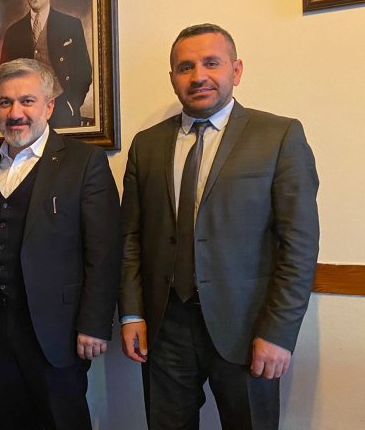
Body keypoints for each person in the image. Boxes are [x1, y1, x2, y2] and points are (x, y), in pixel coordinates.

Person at [119, 23, 319, 429]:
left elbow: (298, 245)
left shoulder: (279, 136)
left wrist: (278, 332)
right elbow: (131, 239)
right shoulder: (146, 144)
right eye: (185, 67)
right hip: (165, 328)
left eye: (211, 63)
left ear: (236, 70)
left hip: (248, 328)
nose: (198, 76)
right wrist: (132, 313)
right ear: (173, 77)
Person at [0, 58, 120, 429]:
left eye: (27, 101)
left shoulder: (85, 162)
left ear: (48, 105)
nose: (15, 113)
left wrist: (95, 324)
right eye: (5, 102)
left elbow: (104, 252)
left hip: (59, 331)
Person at [0, 0, 92, 129]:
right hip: (25, 115)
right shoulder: (13, 32)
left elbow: (84, 72)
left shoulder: (71, 25)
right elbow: (5, 79)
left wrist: (71, 105)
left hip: (63, 113)